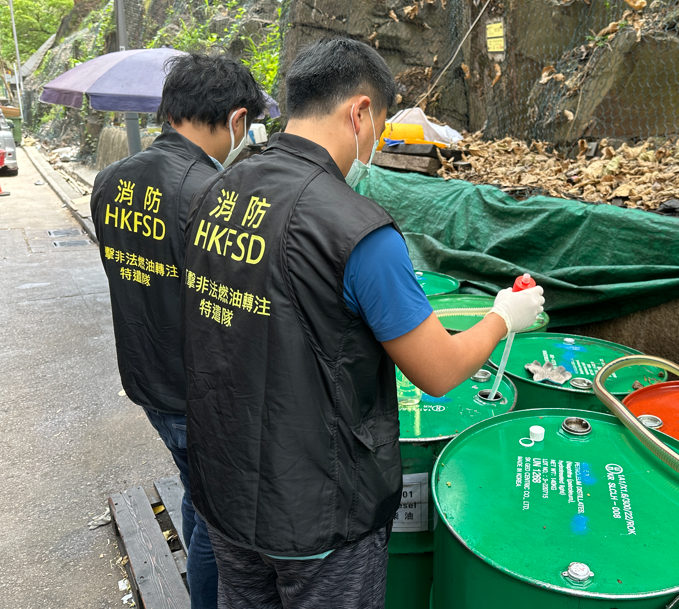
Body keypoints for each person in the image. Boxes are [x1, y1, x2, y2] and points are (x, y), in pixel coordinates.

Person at [180, 37, 545, 609]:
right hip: (318, 516)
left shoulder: (214, 192)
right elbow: (440, 370)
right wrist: (502, 316)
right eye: (377, 127)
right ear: (360, 112)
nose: (373, 144)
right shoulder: (358, 230)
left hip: (223, 489)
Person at [90, 53, 267, 609]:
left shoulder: (109, 181)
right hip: (200, 394)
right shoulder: (212, 196)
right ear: (236, 120)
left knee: (196, 486)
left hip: (147, 380)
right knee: (221, 524)